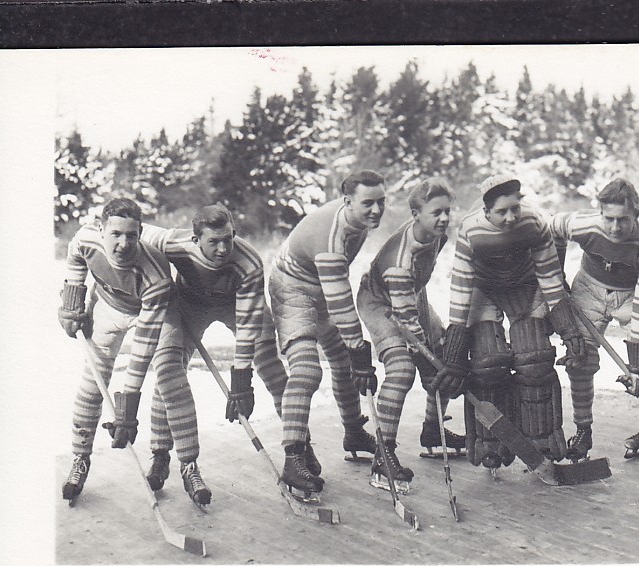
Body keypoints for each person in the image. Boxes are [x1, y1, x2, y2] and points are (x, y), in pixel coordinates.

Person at [138, 203, 294, 507]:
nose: (223, 249)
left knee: (271, 366)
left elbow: (248, 326)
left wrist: (240, 384)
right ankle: (161, 455)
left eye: (229, 239)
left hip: (237, 306)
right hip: (190, 305)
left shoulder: (248, 263)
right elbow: (135, 236)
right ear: (196, 239)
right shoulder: (174, 242)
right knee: (168, 369)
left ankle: (298, 450)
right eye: (214, 241)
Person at [268, 171, 411, 498]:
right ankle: (293, 457)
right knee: (306, 369)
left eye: (381, 202)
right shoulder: (332, 236)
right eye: (368, 203)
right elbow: (340, 299)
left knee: (346, 362)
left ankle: (354, 434)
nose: (376, 210)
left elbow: (336, 292)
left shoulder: (356, 222)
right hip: (291, 289)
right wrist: (361, 351)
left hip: (320, 285)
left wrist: (356, 356)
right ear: (347, 201)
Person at [431, 174, 585, 471]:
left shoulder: (534, 223)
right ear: (487, 211)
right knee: (488, 364)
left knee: (535, 359)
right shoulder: (470, 230)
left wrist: (568, 330)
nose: (511, 217)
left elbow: (551, 280)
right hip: (484, 290)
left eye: (515, 208)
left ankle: (542, 438)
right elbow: (461, 290)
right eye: (501, 211)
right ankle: (491, 444)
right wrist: (454, 354)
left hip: (524, 287)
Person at [549, 177, 639, 473]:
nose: (615, 228)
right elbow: (550, 229)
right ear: (600, 213)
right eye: (609, 219)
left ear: (637, 215)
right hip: (588, 290)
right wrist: (556, 275)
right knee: (580, 358)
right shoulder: (583, 224)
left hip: (632, 295)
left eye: (623, 220)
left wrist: (636, 366)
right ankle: (583, 431)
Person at [58, 196, 173, 502]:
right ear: (101, 229)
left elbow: (142, 351)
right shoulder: (86, 238)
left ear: (140, 233)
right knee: (92, 383)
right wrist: (72, 305)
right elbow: (75, 259)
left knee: (166, 378)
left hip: (143, 314)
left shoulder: (156, 277)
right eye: (116, 234)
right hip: (107, 309)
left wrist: (127, 411)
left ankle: (161, 454)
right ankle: (81, 457)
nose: (123, 244)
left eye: (131, 235)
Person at [356, 177, 466, 479]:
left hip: (409, 294)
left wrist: (433, 355)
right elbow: (405, 320)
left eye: (448, 211)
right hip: (379, 303)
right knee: (404, 369)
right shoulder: (399, 262)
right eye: (436, 213)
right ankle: (384, 452)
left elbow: (417, 284)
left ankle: (432, 430)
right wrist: (423, 357)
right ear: (416, 215)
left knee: (443, 357)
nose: (444, 218)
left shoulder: (437, 235)